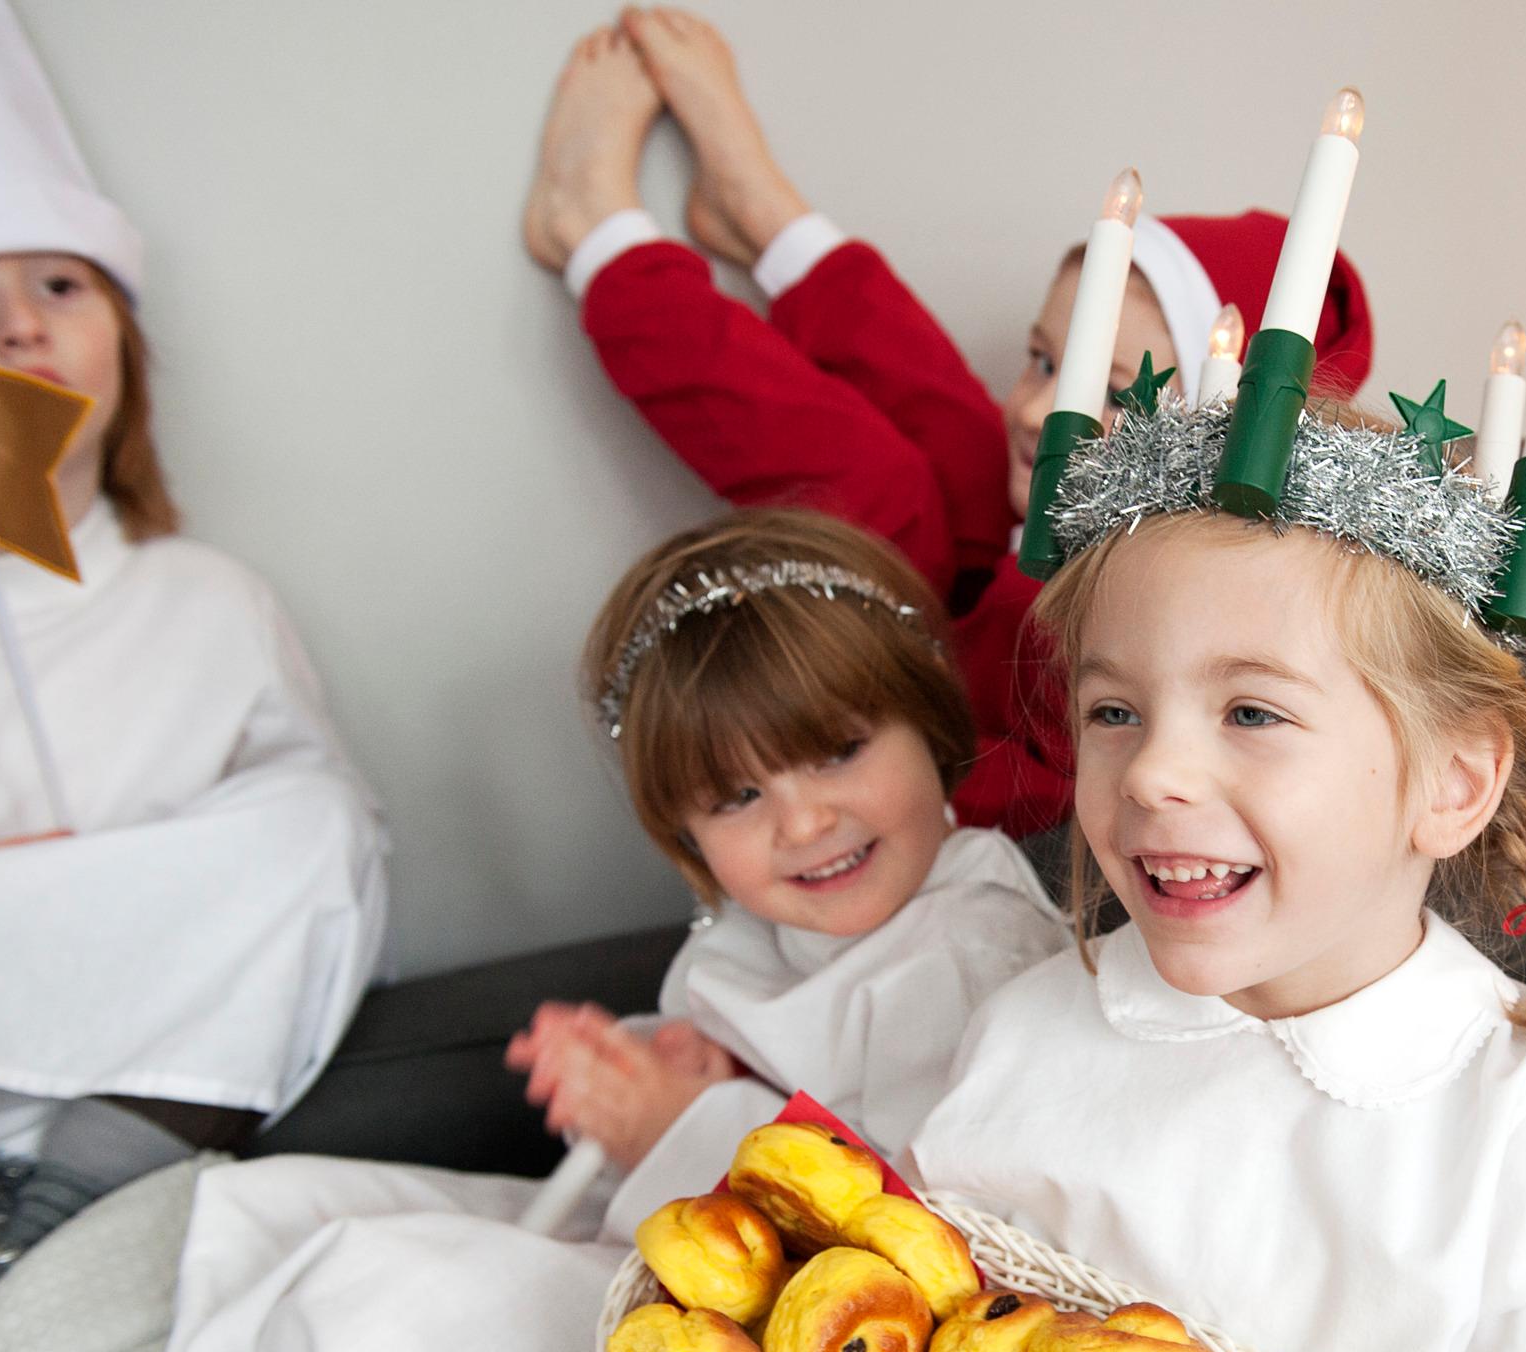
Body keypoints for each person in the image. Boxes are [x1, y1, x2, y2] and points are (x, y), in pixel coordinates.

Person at [610, 398, 1526, 1352]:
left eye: (1250, 714)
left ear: (1450, 781)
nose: (1153, 773)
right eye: (1115, 712)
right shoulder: (1031, 1023)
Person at [158, 510, 1068, 1352]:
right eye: (737, 799)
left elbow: (942, 1237)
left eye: (839, 751)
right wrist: (664, 1062)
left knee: (392, 1315)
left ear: (930, 732)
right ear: (685, 836)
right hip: (672, 1240)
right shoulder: (755, 929)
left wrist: (690, 1123)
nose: (802, 820)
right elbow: (762, 1026)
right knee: (282, 1210)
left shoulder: (974, 941)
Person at [519, 7, 1375, 836]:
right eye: (1044, 359)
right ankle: (771, 223)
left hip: (956, 764)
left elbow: (1023, 796)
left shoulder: (1131, 616)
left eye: (1112, 390)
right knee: (966, 433)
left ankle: (607, 251)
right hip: (993, 608)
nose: (1040, 404)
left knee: (877, 490)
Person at [0, 0, 386, 1305]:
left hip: (129, 1111)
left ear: (127, 349)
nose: (18, 328)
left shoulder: (208, 600)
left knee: (319, 825)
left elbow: (320, 883)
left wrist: (93, 888)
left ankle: (53, 1220)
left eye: (59, 284)